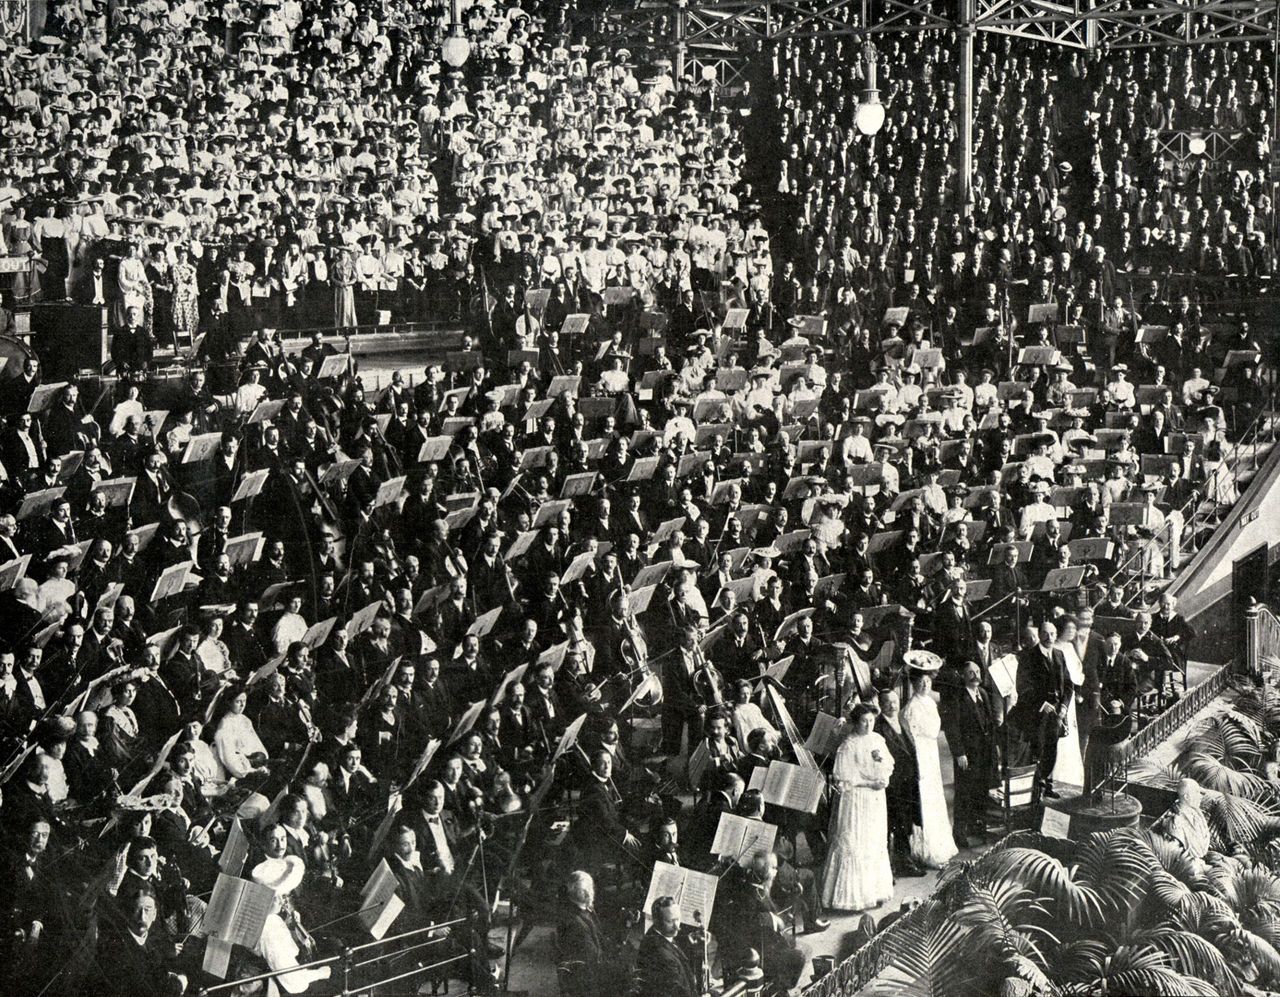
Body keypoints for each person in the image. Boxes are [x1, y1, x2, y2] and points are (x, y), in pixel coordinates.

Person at [822, 703, 894, 912]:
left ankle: (874, 890)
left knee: (873, 841)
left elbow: (889, 764)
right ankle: (852, 895)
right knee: (856, 841)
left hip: (875, 799)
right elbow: (844, 779)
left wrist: (882, 774)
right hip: (856, 798)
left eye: (871, 721)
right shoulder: (848, 745)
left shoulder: (878, 740)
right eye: (864, 721)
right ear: (856, 722)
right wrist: (870, 783)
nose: (868, 725)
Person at [900, 660, 957, 868]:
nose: (925, 685)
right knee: (925, 801)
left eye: (927, 681)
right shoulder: (910, 707)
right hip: (921, 755)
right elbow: (913, 737)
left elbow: (934, 730)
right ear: (914, 684)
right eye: (920, 682)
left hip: (931, 753)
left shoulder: (931, 703)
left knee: (935, 799)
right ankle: (927, 852)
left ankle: (939, 848)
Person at [943, 662, 998, 845]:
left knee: (981, 791)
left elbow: (989, 722)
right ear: (963, 676)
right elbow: (952, 727)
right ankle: (959, 833)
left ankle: (977, 827)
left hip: (984, 752)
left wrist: (993, 747)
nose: (975, 675)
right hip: (967, 755)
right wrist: (959, 753)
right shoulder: (957, 697)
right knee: (964, 793)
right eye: (970, 673)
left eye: (977, 671)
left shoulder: (982, 693)